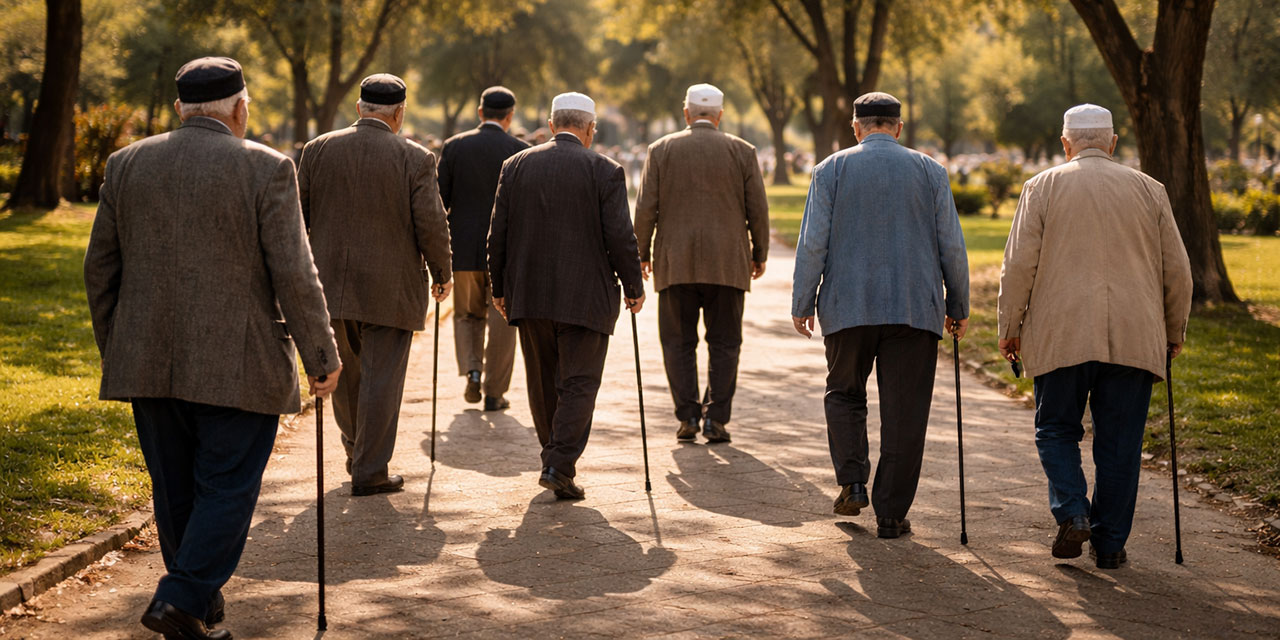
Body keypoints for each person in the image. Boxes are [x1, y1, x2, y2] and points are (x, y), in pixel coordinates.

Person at [84, 56, 342, 640]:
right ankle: (182, 599)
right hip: (240, 363)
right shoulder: (266, 167)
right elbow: (294, 273)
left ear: (181, 108)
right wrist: (321, 356)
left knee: (174, 489)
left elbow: (100, 269)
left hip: (147, 359)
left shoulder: (126, 163)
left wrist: (117, 346)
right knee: (226, 486)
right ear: (241, 107)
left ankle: (196, 606)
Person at [998, 103, 1193, 569]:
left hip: (1061, 331)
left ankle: (1072, 511)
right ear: (1112, 142)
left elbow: (1018, 265)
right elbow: (1178, 271)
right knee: (1120, 445)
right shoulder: (1150, 189)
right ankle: (1109, 545)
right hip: (1134, 334)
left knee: (1055, 428)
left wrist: (1009, 328)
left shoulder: (1041, 186)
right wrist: (1173, 330)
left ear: (1065, 143)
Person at [791, 92, 970, 539]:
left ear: (856, 127)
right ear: (898, 128)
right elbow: (952, 245)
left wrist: (802, 301)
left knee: (844, 393)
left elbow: (813, 243)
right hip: (914, 308)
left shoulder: (830, 169)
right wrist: (958, 304)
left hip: (848, 305)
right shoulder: (931, 170)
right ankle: (891, 513)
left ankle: (853, 482)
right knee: (905, 412)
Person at [298, 74, 453, 496]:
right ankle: (370, 469)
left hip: (329, 284)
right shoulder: (415, 157)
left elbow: (297, 218)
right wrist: (442, 272)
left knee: (346, 374)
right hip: (392, 288)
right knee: (382, 379)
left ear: (359, 108)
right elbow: (431, 224)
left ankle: (357, 451)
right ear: (399, 113)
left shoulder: (317, 149)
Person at [488, 91, 645, 500]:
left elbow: (497, 234)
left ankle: (554, 461)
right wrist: (634, 287)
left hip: (530, 294)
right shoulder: (604, 170)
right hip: (586, 295)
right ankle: (558, 463)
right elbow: (620, 237)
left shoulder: (515, 165)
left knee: (542, 383)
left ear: (552, 124)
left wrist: (500, 288)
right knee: (579, 383)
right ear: (590, 129)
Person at [634, 83, 770, 444]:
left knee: (677, 342)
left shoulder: (661, 150)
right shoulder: (742, 151)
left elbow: (645, 208)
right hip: (728, 263)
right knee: (725, 343)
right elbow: (758, 208)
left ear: (687, 113)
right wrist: (760, 253)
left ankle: (688, 416)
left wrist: (641, 254)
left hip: (675, 262)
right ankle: (716, 419)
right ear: (720, 115)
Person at [438, 86, 530, 411]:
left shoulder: (454, 146)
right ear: (510, 116)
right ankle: (495, 391)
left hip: (463, 248)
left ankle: (473, 370)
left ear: (480, 112)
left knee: (466, 314)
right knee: (502, 319)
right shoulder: (521, 151)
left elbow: (439, 201)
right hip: (506, 253)